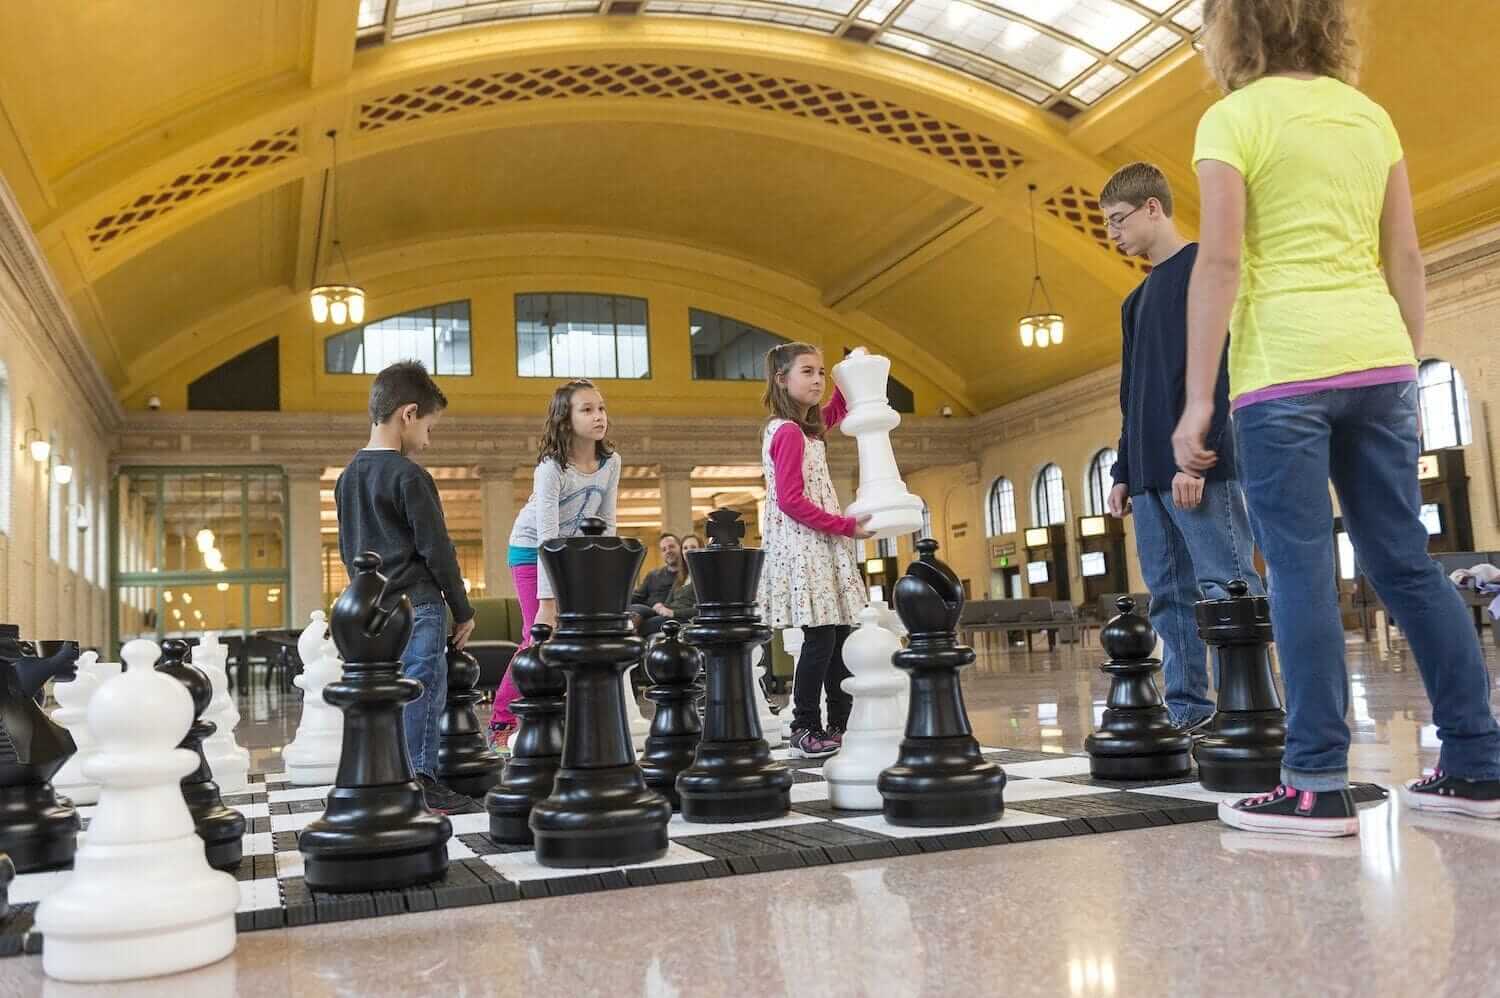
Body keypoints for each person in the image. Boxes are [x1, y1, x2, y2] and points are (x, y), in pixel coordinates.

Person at [1173, 0, 1500, 836]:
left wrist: (1199, 400)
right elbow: (1407, 254)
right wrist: (1402, 361)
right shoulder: (1369, 116)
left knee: (1300, 571)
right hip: (1381, 359)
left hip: (1285, 370)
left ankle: (1315, 781)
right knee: (1406, 565)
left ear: (1232, 29)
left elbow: (1218, 262)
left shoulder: (1232, 119)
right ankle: (1478, 760)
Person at [1100, 161, 1265, 734]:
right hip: (1147, 478)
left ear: (1153, 208)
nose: (1112, 234)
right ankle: (1189, 711)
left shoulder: (1205, 269)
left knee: (1229, 585)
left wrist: (1200, 454)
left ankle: (1253, 706)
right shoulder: (1135, 301)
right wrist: (1123, 469)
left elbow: (1224, 370)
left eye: (1119, 220)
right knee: (1169, 598)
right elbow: (1132, 395)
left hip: (1199, 468)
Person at [334, 361, 475, 814]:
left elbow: (346, 549)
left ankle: (387, 775)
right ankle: (420, 779)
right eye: (430, 428)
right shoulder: (410, 476)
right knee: (422, 689)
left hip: (370, 612)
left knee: (385, 696)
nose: (428, 440)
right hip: (418, 605)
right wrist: (463, 609)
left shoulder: (346, 477)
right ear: (408, 414)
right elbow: (438, 550)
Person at [487, 379, 621, 751]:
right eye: (587, 409)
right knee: (536, 634)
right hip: (532, 550)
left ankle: (558, 717)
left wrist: (607, 583)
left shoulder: (611, 462)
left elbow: (607, 525)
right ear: (566, 419)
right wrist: (548, 600)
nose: (599, 416)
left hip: (573, 554)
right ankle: (502, 721)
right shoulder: (551, 467)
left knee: (572, 637)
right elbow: (547, 535)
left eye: (601, 408)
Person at [758, 342, 873, 758]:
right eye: (808, 372)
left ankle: (840, 723)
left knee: (840, 634)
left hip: (820, 543)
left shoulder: (805, 428)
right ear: (782, 379)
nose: (818, 380)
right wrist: (844, 526)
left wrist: (848, 369)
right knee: (821, 638)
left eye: (821, 372)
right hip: (806, 545)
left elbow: (836, 411)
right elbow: (790, 499)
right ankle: (805, 725)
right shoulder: (787, 431)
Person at [631, 533, 686, 637]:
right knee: (634, 609)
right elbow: (637, 596)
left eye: (671, 547)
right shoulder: (653, 575)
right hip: (646, 610)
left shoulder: (687, 575)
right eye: (664, 549)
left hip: (666, 613)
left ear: (680, 547)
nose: (668, 551)